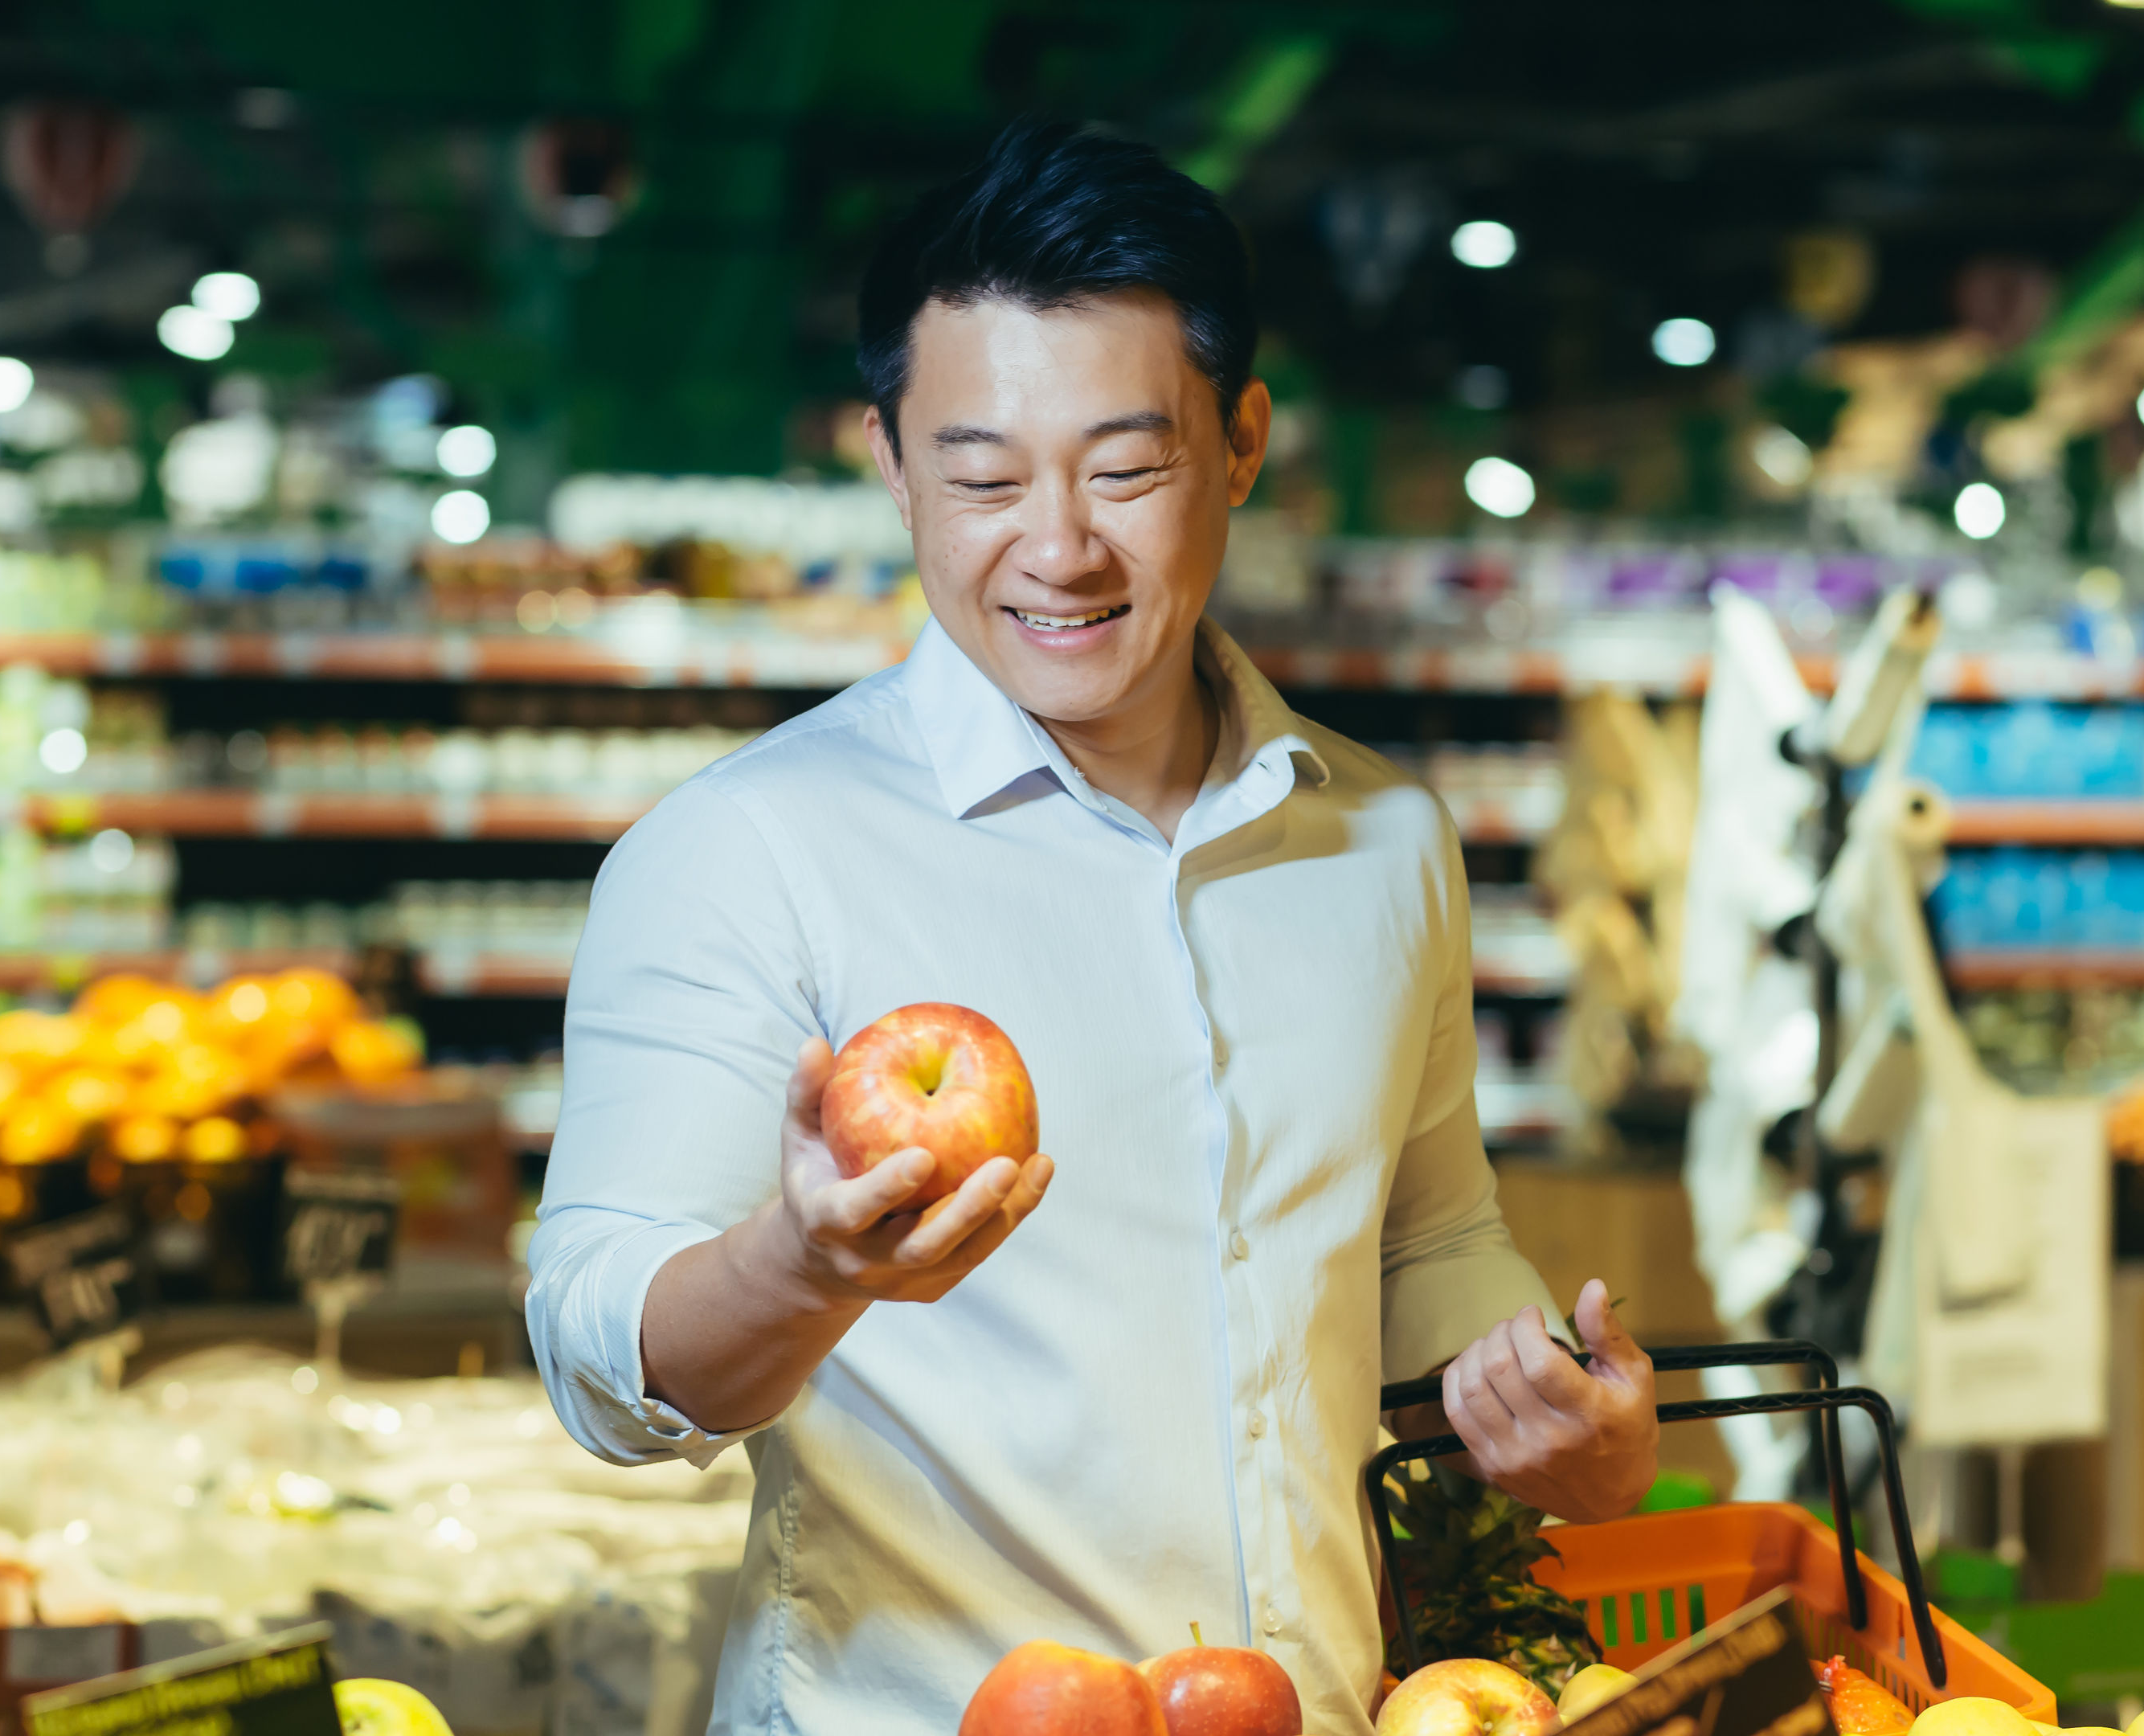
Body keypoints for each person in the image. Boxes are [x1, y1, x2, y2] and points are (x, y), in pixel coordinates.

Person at [525, 121, 1659, 1734]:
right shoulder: (744, 852)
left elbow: (1423, 1241)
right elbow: (594, 1352)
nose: (1056, 549)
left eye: (1127, 470)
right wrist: (799, 1269)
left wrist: (1554, 1410)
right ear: (891, 463)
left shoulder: (1383, 840)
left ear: (1242, 441)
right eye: (984, 477)